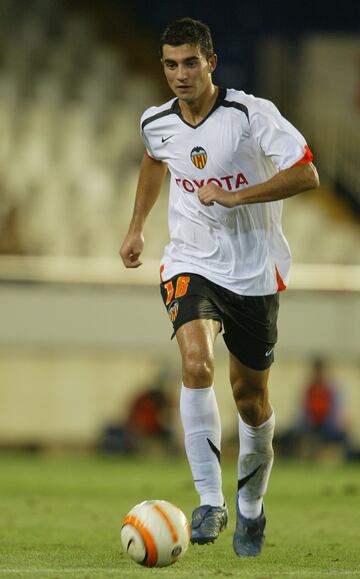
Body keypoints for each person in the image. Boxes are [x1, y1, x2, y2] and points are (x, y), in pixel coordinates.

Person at [120, 17, 319, 558]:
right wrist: (137, 225)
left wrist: (238, 195)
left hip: (253, 271)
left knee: (250, 399)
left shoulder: (251, 116)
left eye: (189, 62)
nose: (179, 74)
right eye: (170, 64)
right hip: (190, 260)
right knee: (195, 363)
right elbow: (154, 157)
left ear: (211, 62)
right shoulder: (156, 121)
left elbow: (307, 174)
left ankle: (251, 508)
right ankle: (210, 499)